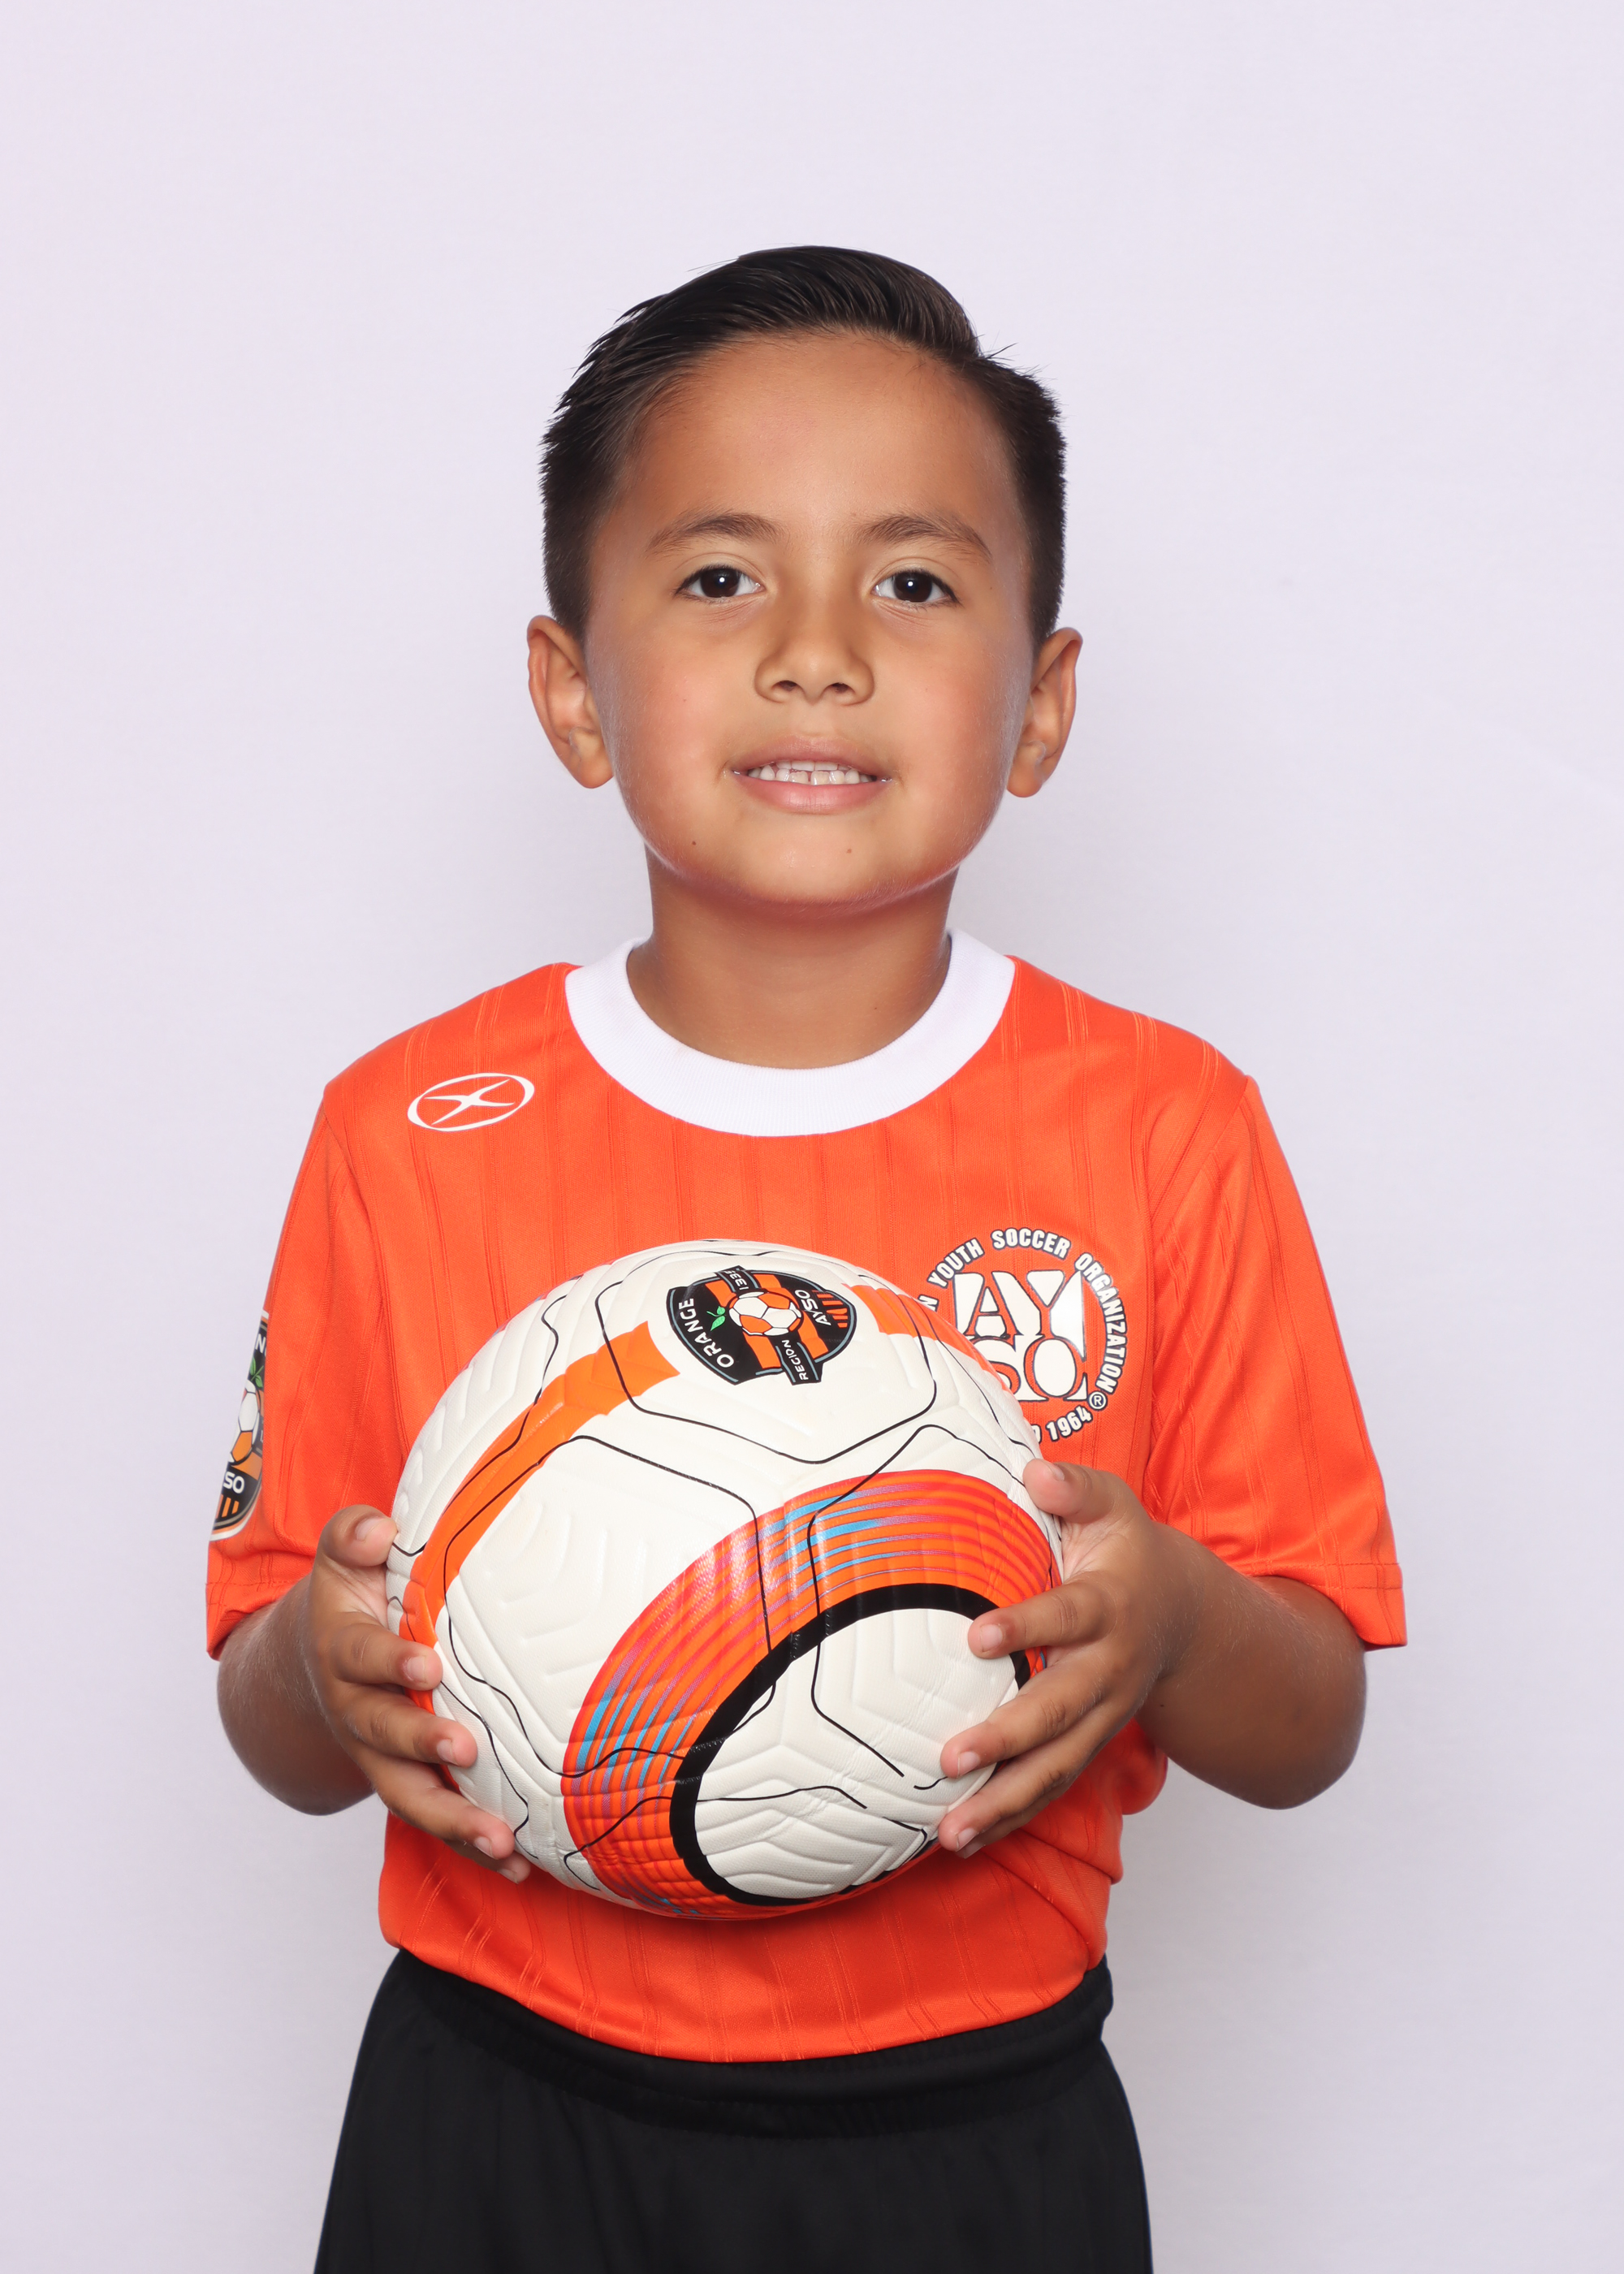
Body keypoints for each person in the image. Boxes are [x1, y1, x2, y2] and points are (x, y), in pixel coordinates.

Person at [209, 246, 1405, 2273]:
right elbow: (271, 1711)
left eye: (914, 581)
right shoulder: (407, 1126)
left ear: (1041, 704)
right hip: (495, 2108)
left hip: (971, 2133)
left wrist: (1173, 1617)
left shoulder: (1163, 1128)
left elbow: (1309, 1724)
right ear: (571, 690)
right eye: (718, 574)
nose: (818, 653)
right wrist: (322, 1670)